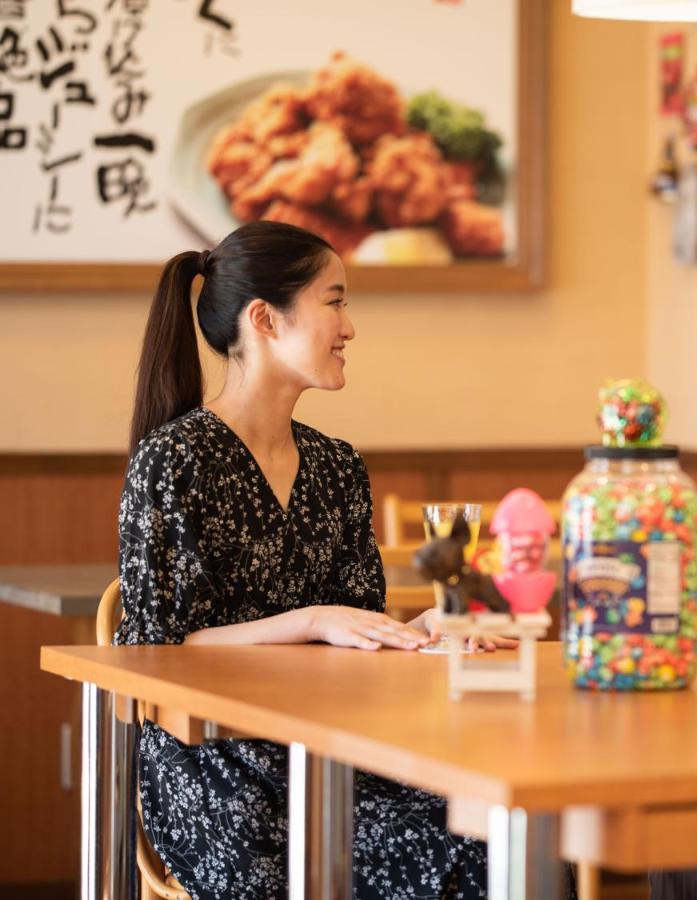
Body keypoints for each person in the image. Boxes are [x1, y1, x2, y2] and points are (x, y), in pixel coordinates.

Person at [115, 221, 504, 899]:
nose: (350, 326)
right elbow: (154, 651)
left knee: (499, 843)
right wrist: (311, 620)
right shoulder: (174, 460)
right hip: (214, 766)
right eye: (335, 301)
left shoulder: (338, 466)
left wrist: (422, 635)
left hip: (334, 750)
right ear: (265, 319)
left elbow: (356, 637)